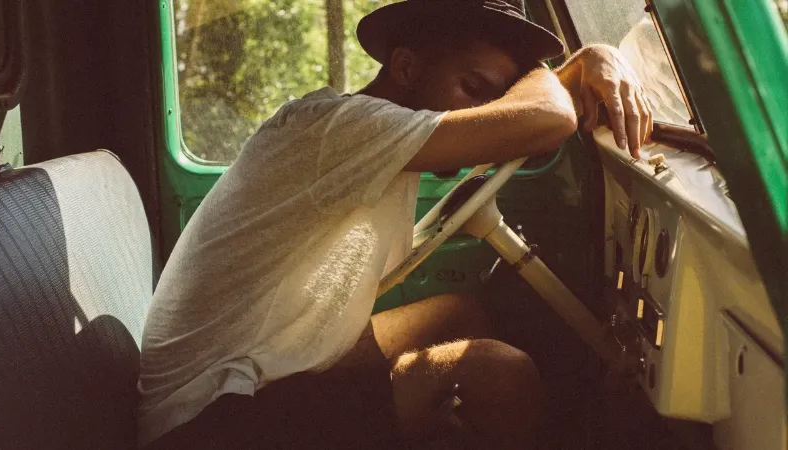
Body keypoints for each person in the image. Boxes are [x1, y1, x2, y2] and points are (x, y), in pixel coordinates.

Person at [138, 0, 653, 448]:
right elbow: (547, 120)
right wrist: (579, 60)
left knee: (457, 315)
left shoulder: (392, 136)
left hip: (270, 367)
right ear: (405, 67)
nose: (484, 114)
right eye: (473, 88)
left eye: (493, 99)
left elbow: (520, 122)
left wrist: (575, 67)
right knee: (501, 374)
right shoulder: (337, 127)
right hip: (209, 420)